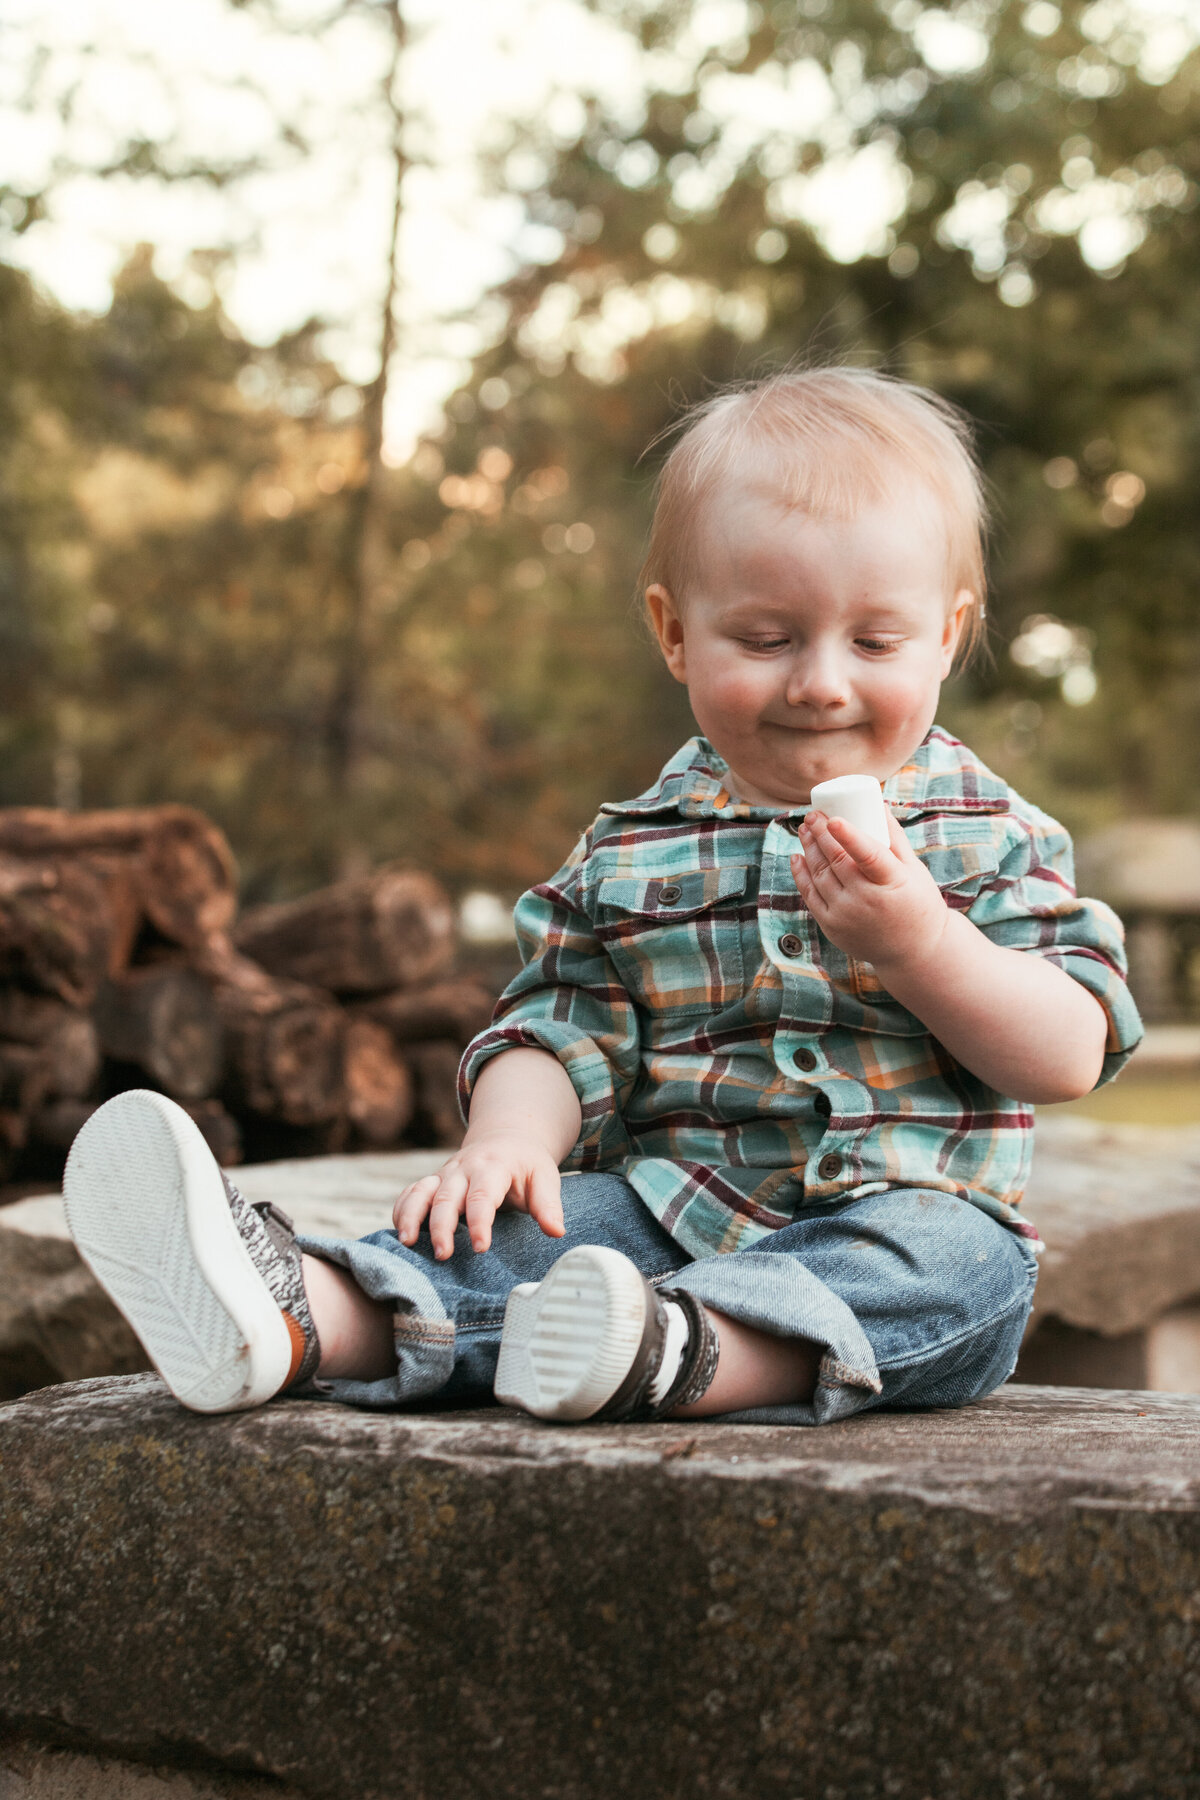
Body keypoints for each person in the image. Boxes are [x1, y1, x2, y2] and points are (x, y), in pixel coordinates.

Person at [63, 366, 1142, 1428]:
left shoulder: (986, 835)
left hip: (904, 1219)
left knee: (964, 1274)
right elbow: (555, 1026)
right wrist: (509, 1145)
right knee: (518, 1230)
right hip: (666, 1215)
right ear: (676, 632)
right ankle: (298, 1315)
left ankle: (690, 1351)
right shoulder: (629, 850)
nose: (820, 680)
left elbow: (1066, 1050)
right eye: (765, 639)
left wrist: (922, 946)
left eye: (875, 641)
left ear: (948, 633)